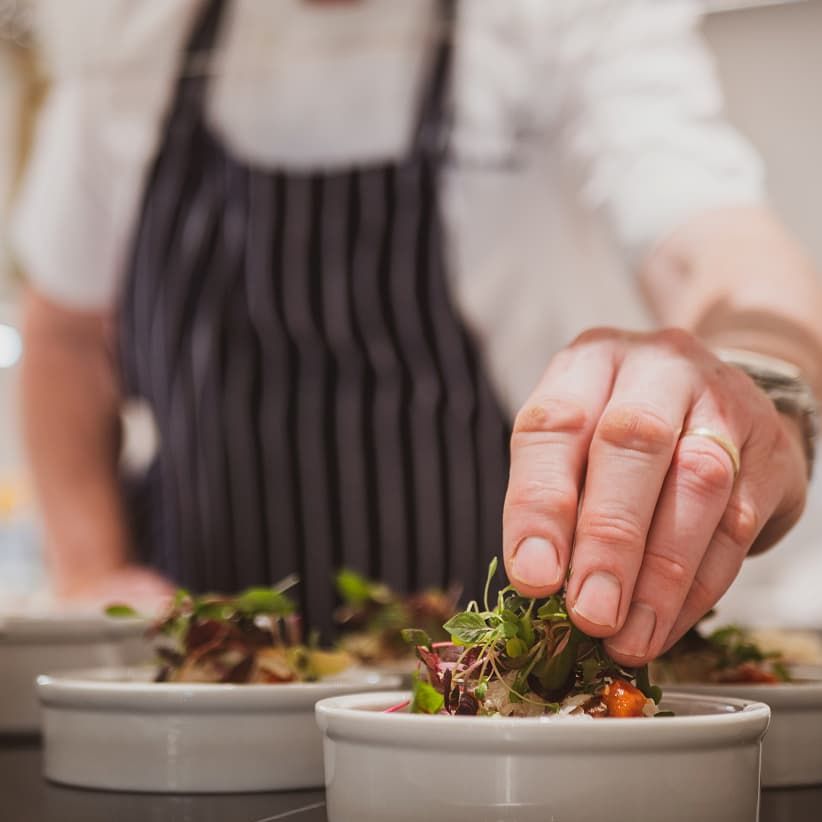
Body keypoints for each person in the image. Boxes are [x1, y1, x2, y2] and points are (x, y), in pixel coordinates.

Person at [12, 0, 821, 666]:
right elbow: (69, 339)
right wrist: (92, 568)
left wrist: (757, 380)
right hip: (208, 683)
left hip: (486, 687)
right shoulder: (132, 34)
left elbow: (718, 248)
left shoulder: (560, 21)